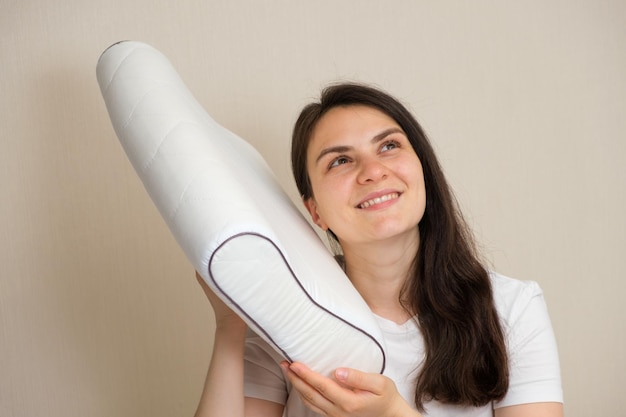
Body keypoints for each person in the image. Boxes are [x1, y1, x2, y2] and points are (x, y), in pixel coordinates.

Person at [193, 83, 563, 417]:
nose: (372, 171)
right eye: (340, 160)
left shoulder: (512, 308)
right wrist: (231, 325)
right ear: (315, 211)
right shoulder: (286, 316)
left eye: (389, 146)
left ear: (422, 170)